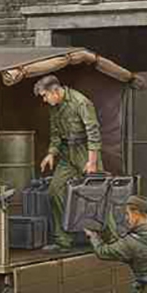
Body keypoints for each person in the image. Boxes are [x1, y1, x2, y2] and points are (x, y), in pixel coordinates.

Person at [35, 75, 102, 252]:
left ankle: (104, 239)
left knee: (95, 195)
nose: (44, 100)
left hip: (85, 152)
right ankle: (63, 240)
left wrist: (92, 162)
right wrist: (51, 153)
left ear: (55, 91)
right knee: (55, 190)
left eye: (45, 95)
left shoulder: (81, 102)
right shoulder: (54, 107)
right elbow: (56, 133)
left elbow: (93, 133)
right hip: (67, 154)